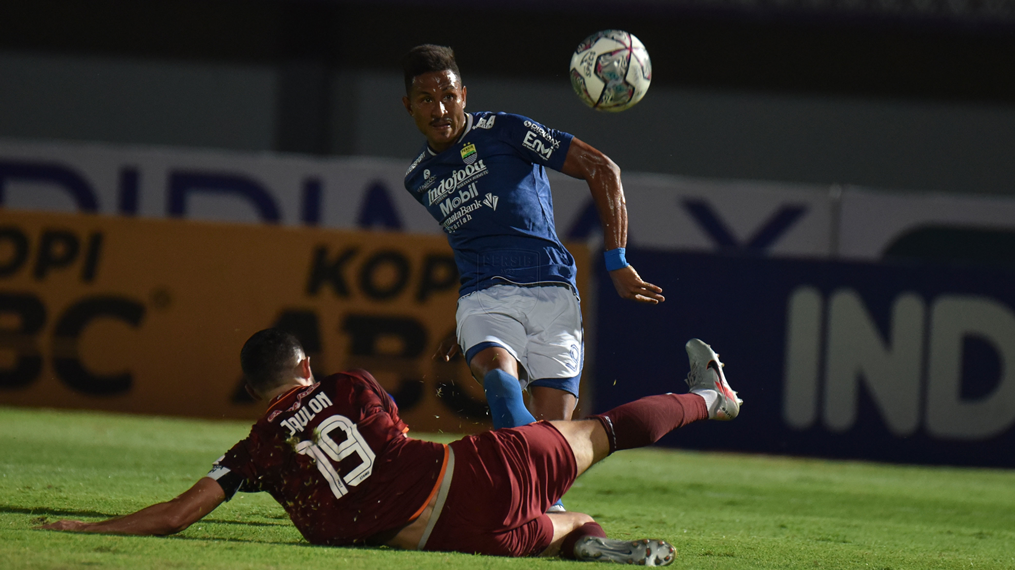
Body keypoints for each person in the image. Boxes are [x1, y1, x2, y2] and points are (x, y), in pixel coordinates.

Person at [40, 328, 741, 565]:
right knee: (602, 431)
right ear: (305, 366)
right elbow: (395, 437)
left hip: (447, 541)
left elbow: (176, 516)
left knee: (574, 526)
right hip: (475, 474)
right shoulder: (346, 383)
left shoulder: (255, 450)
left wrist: (89, 527)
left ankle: (585, 544)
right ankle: (715, 398)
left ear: (256, 391)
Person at [401, 44, 666, 438]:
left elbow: (602, 169)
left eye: (448, 97)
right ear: (409, 106)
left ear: (464, 96)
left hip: (552, 292)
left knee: (552, 441)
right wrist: (468, 326)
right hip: (486, 297)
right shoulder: (418, 178)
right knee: (498, 377)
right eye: (426, 100)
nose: (440, 111)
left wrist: (617, 260)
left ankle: (541, 477)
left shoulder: (506, 131)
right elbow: (471, 239)